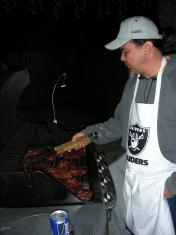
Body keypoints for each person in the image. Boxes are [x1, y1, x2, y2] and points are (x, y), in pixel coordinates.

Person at [71, 16, 176, 235]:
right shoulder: (134, 82)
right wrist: (89, 134)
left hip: (165, 184)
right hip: (136, 177)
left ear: (147, 47)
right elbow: (120, 123)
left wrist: (172, 186)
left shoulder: (173, 82)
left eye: (125, 51)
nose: (121, 58)